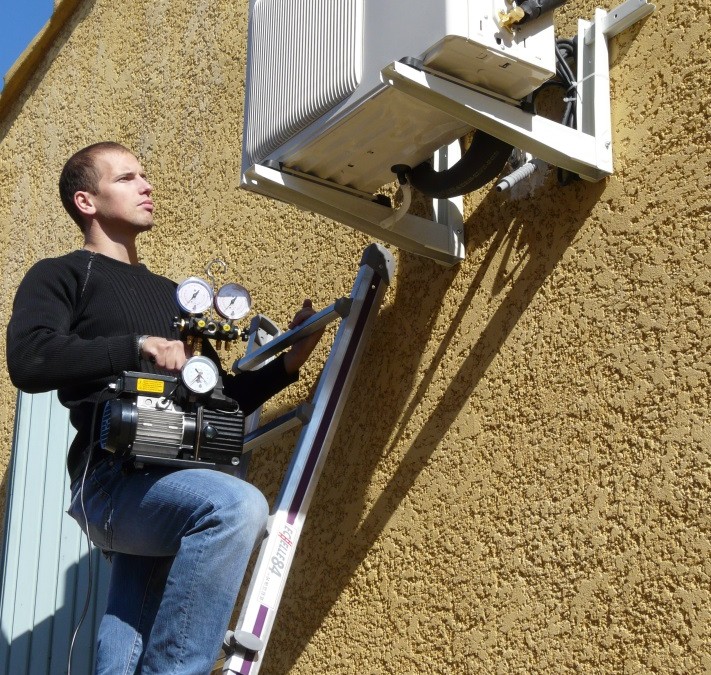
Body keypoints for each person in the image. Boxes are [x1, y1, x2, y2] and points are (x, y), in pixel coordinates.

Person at [6, 141, 322, 674]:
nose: (146, 185)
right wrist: (136, 346)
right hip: (111, 481)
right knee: (233, 507)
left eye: (144, 175)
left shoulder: (174, 297)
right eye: (127, 178)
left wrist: (287, 365)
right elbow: (30, 360)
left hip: (174, 478)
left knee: (123, 649)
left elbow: (217, 399)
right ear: (87, 201)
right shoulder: (62, 275)